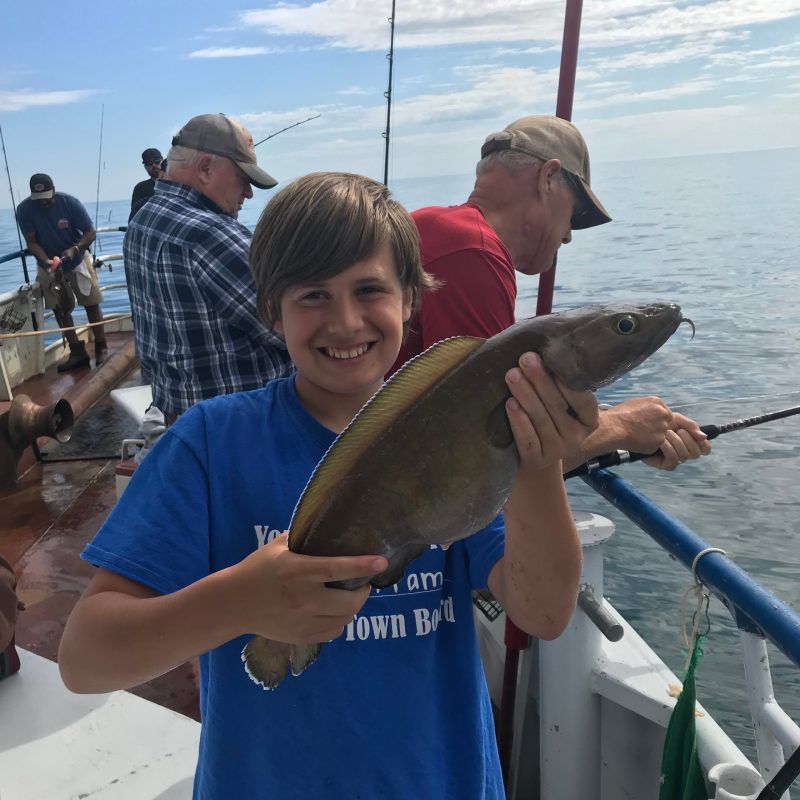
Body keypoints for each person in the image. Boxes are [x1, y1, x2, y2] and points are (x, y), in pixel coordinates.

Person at [59, 172, 600, 799]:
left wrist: (539, 464)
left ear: (409, 300)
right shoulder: (209, 445)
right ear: (271, 310)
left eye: (369, 289)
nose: (344, 322)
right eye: (312, 296)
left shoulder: (463, 437)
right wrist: (238, 602)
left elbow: (542, 612)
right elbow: (84, 659)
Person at [391, 115, 711, 471]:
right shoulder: (473, 253)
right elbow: (478, 458)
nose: (569, 236)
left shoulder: (436, 227)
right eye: (574, 215)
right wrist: (621, 427)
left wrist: (609, 425)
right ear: (547, 178)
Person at [123, 113, 292, 424]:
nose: (249, 192)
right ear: (204, 169)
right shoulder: (213, 236)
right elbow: (293, 330)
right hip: (242, 422)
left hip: (180, 415)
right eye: (243, 178)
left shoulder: (144, 218)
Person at [16, 174, 107, 370]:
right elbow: (31, 241)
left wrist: (75, 248)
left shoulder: (70, 204)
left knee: (91, 303)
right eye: (39, 199)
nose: (45, 202)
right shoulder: (24, 210)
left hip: (76, 260)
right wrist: (46, 260)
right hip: (48, 266)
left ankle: (101, 347)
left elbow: (90, 232)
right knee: (60, 308)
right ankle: (77, 352)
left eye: (48, 197)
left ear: (54, 190)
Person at [129, 147, 164, 221]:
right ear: (145, 167)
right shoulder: (140, 188)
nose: (154, 166)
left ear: (163, 162)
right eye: (149, 164)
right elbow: (134, 217)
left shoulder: (176, 182)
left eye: (157, 162)